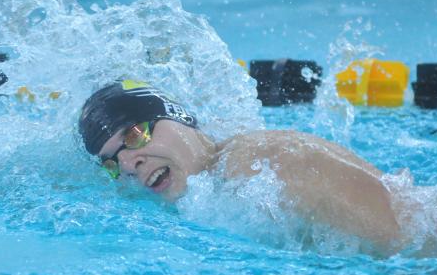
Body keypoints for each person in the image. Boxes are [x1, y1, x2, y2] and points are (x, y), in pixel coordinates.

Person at [79, 80, 407, 253]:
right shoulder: (213, 189)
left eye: (135, 135)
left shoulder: (267, 162)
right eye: (112, 165)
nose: (128, 165)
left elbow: (410, 239)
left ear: (179, 117)